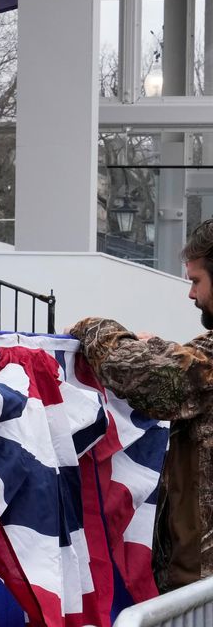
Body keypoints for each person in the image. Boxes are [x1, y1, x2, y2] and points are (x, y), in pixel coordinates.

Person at [70, 218, 213, 593]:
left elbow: (157, 380)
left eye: (196, 281)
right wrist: (155, 348)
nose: (191, 294)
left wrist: (92, 328)